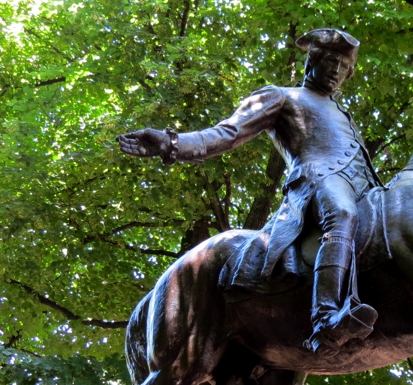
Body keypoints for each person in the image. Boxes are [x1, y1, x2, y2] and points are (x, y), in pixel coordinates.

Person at [117, 28, 382, 353]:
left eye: (344, 67)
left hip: (365, 186)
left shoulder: (344, 114)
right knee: (340, 213)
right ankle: (325, 317)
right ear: (312, 61)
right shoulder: (281, 97)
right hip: (319, 181)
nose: (336, 72)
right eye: (330, 62)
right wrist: (172, 143)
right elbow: (228, 132)